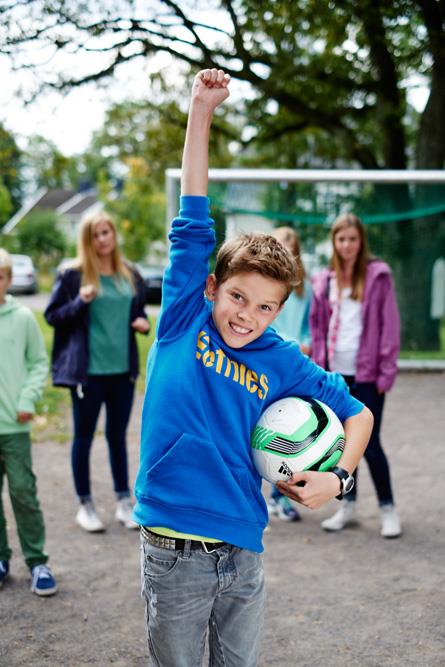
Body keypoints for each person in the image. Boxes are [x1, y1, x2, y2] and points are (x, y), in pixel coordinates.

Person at [134, 68, 373, 667]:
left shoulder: (280, 359)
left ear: (280, 311)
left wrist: (337, 479)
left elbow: (358, 413)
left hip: (244, 549)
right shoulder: (185, 314)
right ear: (213, 286)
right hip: (173, 548)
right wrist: (201, 109)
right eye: (238, 297)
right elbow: (192, 212)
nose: (247, 316)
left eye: (266, 307)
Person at [44, 211, 149, 533]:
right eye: (95, 234)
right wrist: (80, 301)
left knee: (118, 437)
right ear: (87, 240)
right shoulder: (73, 275)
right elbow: (53, 316)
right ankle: (85, 505)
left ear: (114, 234)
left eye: (106, 232)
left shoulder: (129, 274)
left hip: (122, 372)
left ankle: (122, 502)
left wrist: (142, 323)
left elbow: (138, 312)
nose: (102, 239)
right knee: (84, 437)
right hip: (87, 373)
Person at [310, 213, 402, 538]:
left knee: (370, 443)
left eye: (352, 238)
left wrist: (385, 372)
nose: (347, 244)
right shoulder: (324, 280)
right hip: (335, 376)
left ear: (360, 241)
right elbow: (317, 326)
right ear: (334, 242)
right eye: (341, 239)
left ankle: (388, 509)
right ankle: (347, 504)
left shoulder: (377, 276)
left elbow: (389, 326)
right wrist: (319, 371)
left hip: (367, 375)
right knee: (343, 443)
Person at [0, 248, 57, 596]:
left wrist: (26, 400)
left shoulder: (21, 317)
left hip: (14, 426)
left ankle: (37, 562)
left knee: (23, 492)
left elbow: (38, 363)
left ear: (7, 279)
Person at [267, 226, 313, 522]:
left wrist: (306, 342)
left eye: (290, 245)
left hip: (295, 363)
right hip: (273, 360)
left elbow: (309, 324)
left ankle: (279, 497)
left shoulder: (304, 289)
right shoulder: (266, 285)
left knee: (290, 432)